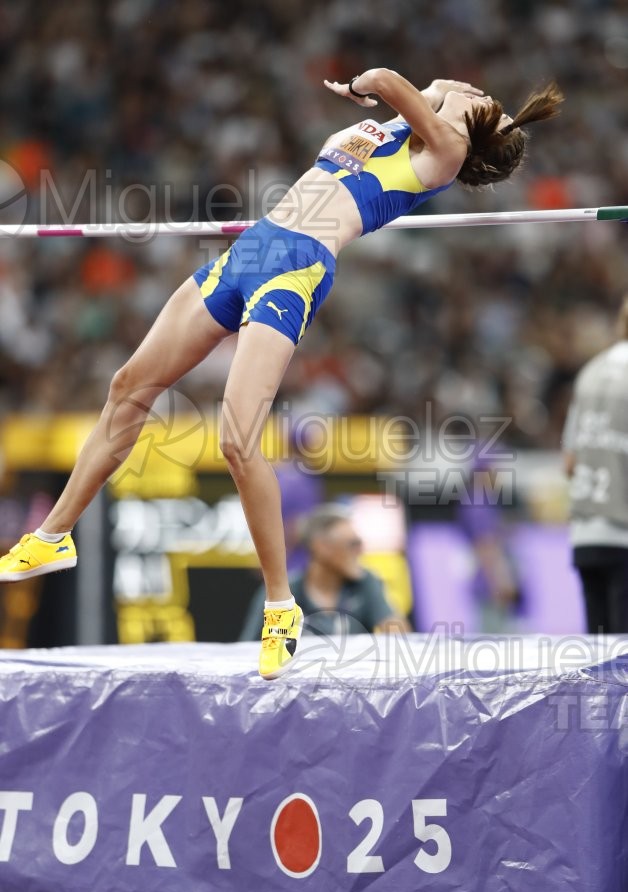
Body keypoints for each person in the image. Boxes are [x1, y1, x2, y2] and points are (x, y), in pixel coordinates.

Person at [0, 69, 563, 678]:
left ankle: (280, 605)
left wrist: (367, 86)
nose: (476, 90)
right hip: (253, 248)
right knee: (128, 387)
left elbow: (394, 82)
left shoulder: (446, 154)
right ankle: (55, 535)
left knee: (238, 440)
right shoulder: (413, 125)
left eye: (485, 102)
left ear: (472, 127)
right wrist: (434, 98)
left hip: (295, 266)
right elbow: (426, 90)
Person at [240, 506, 407, 641]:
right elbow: (248, 649)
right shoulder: (283, 591)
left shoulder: (365, 582)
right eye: (353, 544)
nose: (360, 551)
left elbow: (402, 638)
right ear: (321, 547)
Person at [563, 296, 628, 633]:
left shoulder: (590, 373)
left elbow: (570, 461)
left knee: (601, 662)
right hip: (623, 530)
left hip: (585, 534)